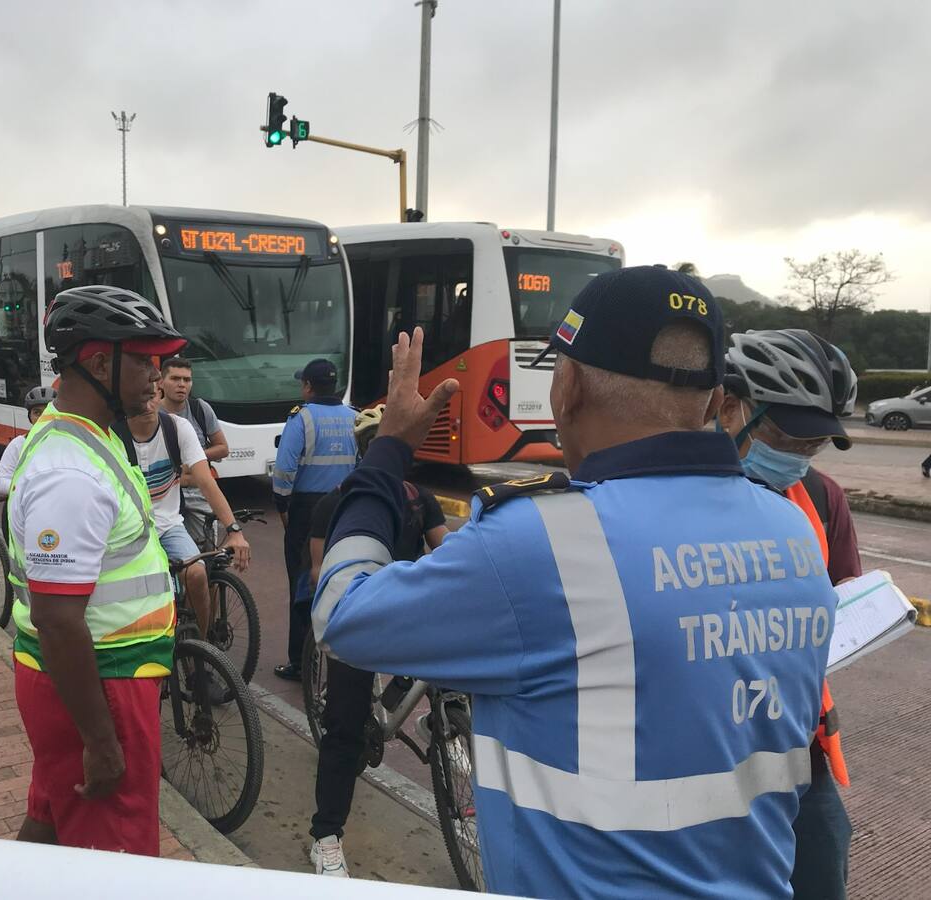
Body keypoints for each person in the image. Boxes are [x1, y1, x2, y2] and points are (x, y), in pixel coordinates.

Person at [312, 267, 840, 899]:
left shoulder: (542, 543)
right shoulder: (792, 532)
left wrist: (388, 453)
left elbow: (342, 615)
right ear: (712, 402)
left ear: (566, 387)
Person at [6, 285, 185, 854]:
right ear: (99, 362)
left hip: (88, 674)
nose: (156, 377)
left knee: (54, 821)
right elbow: (58, 620)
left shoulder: (91, 434)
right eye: (144, 361)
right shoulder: (71, 476)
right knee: (116, 856)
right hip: (99, 680)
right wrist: (101, 740)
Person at [719, 328, 861, 900]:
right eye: (787, 436)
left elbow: (844, 593)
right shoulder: (669, 497)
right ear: (731, 412)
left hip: (800, 749)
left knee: (822, 869)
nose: (799, 456)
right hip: (704, 745)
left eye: (815, 444)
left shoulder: (822, 498)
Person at [307, 405, 447, 878]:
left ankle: (434, 717)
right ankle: (326, 836)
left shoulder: (418, 500)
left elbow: (443, 551)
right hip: (358, 618)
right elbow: (318, 574)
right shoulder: (337, 503)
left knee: (452, 662)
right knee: (343, 729)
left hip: (402, 616)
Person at [125, 385, 250, 635]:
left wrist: (234, 530)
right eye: (141, 399)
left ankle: (200, 649)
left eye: (153, 397)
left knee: (196, 574)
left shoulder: (177, 428)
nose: (149, 406)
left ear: (160, 396)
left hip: (169, 525)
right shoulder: (112, 433)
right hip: (127, 530)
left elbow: (206, 481)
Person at [272, 358, 356, 681]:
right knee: (341, 577)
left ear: (308, 386)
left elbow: (283, 472)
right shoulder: (355, 417)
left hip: (307, 511)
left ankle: (301, 662)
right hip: (345, 506)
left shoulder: (301, 419)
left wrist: (283, 508)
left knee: (303, 582)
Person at [157, 357, 229, 541]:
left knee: (206, 551)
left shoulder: (200, 408)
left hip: (199, 492)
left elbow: (222, 448)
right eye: (175, 379)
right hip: (165, 496)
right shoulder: (152, 413)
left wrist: (194, 457)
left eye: (187, 380)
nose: (182, 385)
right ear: (161, 382)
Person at [0, 386, 56, 542]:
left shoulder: (67, 444)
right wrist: (30, 489)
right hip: (22, 514)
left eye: (47, 411)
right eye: (37, 413)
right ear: (30, 417)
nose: (42, 417)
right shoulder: (18, 445)